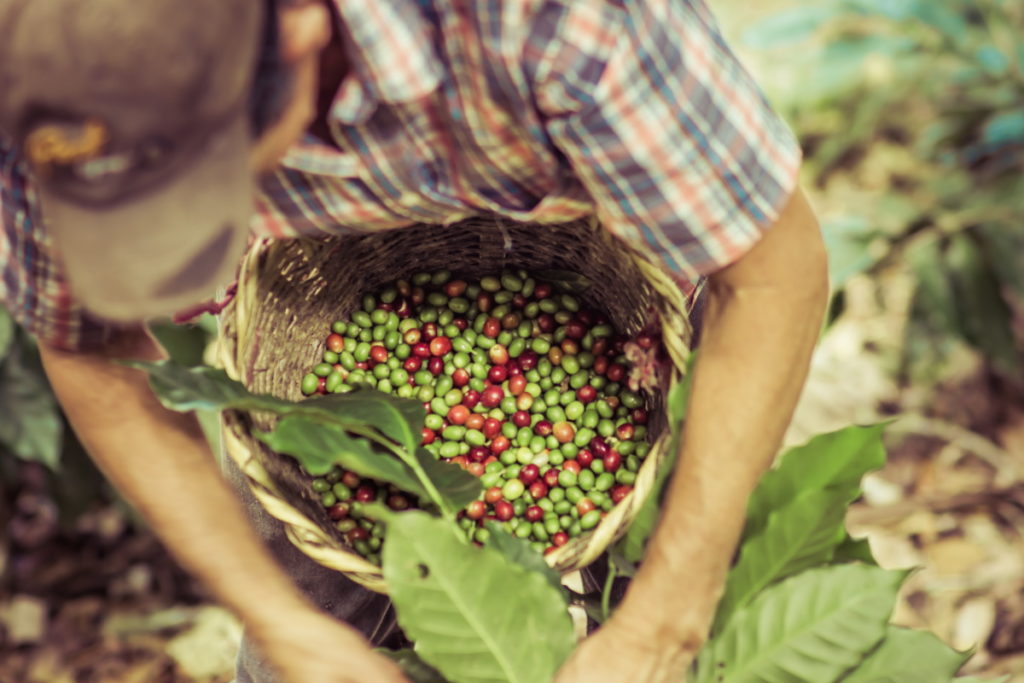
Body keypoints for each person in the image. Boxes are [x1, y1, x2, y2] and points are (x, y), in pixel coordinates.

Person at [0, 0, 829, 681]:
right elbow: (87, 347)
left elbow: (771, 276)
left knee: (667, 603)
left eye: (207, 189)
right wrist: (280, 620)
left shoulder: (560, 27)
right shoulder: (52, 69)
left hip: (612, 287)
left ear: (296, 29)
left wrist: (662, 621)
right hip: (340, 333)